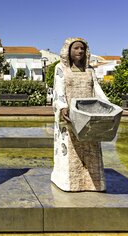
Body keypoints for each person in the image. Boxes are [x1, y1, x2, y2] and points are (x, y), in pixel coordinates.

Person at [51, 37, 109, 192]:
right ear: (68, 51)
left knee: (91, 147)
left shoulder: (90, 70)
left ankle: (91, 183)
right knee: (71, 149)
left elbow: (97, 89)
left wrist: (107, 104)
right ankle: (69, 183)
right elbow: (59, 90)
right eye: (76, 48)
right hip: (70, 115)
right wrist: (63, 107)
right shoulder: (61, 69)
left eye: (82, 48)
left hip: (89, 116)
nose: (80, 51)